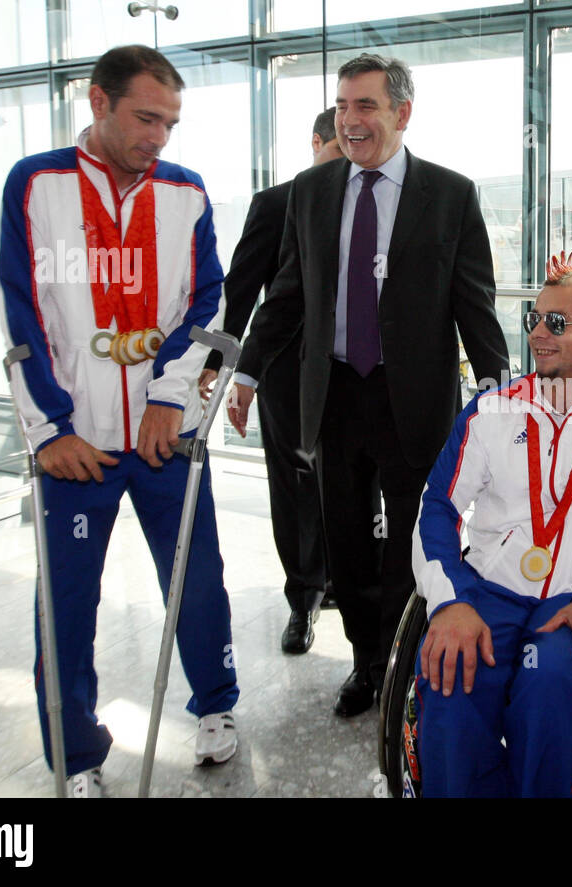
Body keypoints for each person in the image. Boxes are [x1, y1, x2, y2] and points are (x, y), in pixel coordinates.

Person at [0, 45, 240, 797]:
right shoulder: (34, 184)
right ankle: (76, 753)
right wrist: (50, 432)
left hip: (167, 437)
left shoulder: (186, 192)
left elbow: (209, 306)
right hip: (77, 446)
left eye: (170, 123)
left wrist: (171, 398)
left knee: (197, 581)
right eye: (145, 118)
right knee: (66, 603)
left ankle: (218, 706)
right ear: (98, 101)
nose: (159, 137)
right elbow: (21, 313)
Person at [240, 53, 509, 717]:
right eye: (342, 107)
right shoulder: (313, 191)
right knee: (348, 539)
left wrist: (500, 388)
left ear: (402, 114)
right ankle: (365, 660)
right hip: (332, 395)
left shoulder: (449, 194)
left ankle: (405, 660)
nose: (351, 119)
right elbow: (291, 293)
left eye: (366, 106)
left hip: (411, 396)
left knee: (415, 540)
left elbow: (474, 301)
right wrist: (246, 368)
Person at [410, 252, 572, 797]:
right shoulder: (491, 409)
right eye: (533, 318)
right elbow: (437, 507)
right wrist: (450, 601)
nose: (538, 332)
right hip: (488, 591)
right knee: (450, 677)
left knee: (552, 683)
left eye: (557, 321)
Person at [197, 107, 344, 655]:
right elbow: (242, 288)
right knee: (294, 489)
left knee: (349, 487)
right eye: (335, 152)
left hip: (352, 377)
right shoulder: (278, 202)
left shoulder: (370, 202)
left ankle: (343, 585)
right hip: (286, 374)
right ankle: (303, 597)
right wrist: (219, 364)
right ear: (316, 143)